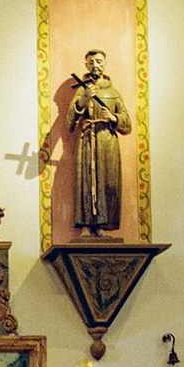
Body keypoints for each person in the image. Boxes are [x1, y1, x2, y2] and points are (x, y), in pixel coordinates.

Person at [70, 48, 132, 236]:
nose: (95, 65)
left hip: (107, 142)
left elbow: (127, 125)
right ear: (86, 65)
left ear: (105, 63)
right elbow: (69, 121)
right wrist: (83, 101)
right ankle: (85, 225)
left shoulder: (113, 92)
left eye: (98, 61)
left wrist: (113, 118)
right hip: (87, 140)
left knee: (107, 182)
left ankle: (102, 225)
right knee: (86, 180)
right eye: (91, 62)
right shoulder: (82, 90)